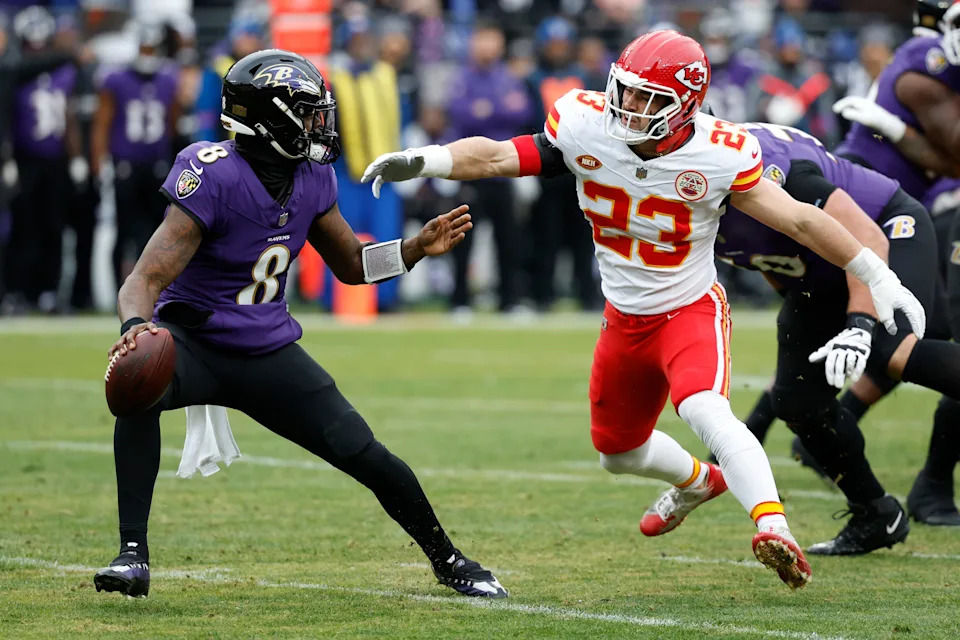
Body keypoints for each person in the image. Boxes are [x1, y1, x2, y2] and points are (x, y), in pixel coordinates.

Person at [362, 30, 926, 590]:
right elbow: (495, 156)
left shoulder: (718, 152)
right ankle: (700, 481)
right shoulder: (585, 124)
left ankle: (773, 528)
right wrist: (424, 159)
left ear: (686, 105)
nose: (629, 106)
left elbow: (802, 219)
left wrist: (878, 274)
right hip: (623, 318)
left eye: (648, 98)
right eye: (626, 91)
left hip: (688, 308)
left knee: (706, 410)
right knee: (617, 453)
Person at [92, 49, 506, 600]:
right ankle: (132, 556)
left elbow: (353, 265)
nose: (320, 123)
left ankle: (450, 560)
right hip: (194, 344)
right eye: (308, 112)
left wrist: (414, 250)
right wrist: (135, 327)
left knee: (364, 450)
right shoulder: (211, 174)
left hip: (266, 351)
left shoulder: (312, 178)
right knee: (135, 388)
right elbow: (143, 278)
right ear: (270, 119)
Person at [715, 120, 960, 553]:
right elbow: (770, 260)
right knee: (796, 401)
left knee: (890, 350)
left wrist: (859, 324)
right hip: (817, 269)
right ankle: (875, 514)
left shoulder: (772, 170)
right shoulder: (676, 193)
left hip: (883, 229)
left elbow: (862, 237)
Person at [795, 0, 960, 525]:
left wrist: (897, 129)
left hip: (908, 204)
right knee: (909, 329)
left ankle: (824, 424)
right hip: (914, 208)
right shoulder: (923, 64)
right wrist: (899, 131)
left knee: (912, 329)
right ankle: (929, 486)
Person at [2, 5, 84, 315]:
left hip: (55, 160)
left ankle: (48, 291)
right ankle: (17, 291)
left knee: (53, 227)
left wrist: (76, 157)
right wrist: (7, 156)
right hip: (24, 158)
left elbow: (70, 114)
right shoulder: (14, 70)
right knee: (24, 229)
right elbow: (6, 117)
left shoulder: (64, 73)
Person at [91, 21, 180, 290]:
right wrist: (101, 161)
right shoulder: (116, 79)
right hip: (125, 165)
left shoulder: (168, 78)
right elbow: (102, 122)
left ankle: (155, 290)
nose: (148, 53)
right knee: (123, 230)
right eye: (144, 47)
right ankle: (120, 291)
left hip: (156, 165)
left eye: (152, 47)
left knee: (159, 232)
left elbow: (172, 125)